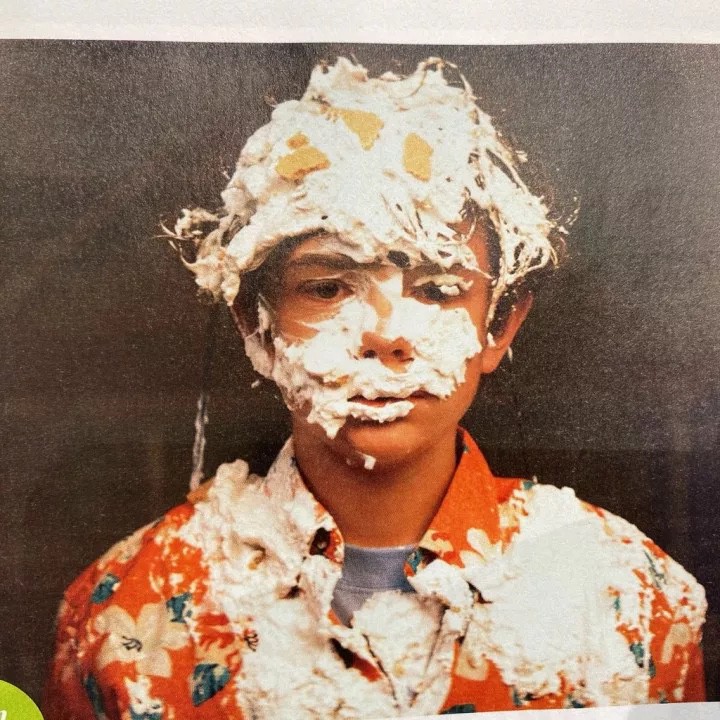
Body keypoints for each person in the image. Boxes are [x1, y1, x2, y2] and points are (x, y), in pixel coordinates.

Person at [43, 57, 707, 719]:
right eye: (329, 287)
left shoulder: (630, 597)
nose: (386, 334)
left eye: (438, 289)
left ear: (498, 326)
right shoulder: (122, 615)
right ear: (256, 326)